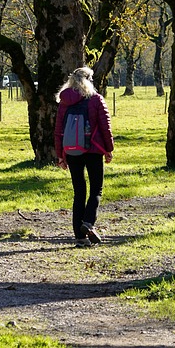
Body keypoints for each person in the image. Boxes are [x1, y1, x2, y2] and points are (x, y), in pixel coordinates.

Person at [54, 67, 113, 247]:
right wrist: (108, 149)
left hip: (72, 152)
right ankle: (88, 223)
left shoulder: (64, 102)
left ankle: (79, 238)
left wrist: (60, 155)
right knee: (96, 189)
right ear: (89, 80)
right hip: (94, 150)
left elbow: (59, 130)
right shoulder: (96, 100)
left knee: (79, 192)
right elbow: (105, 126)